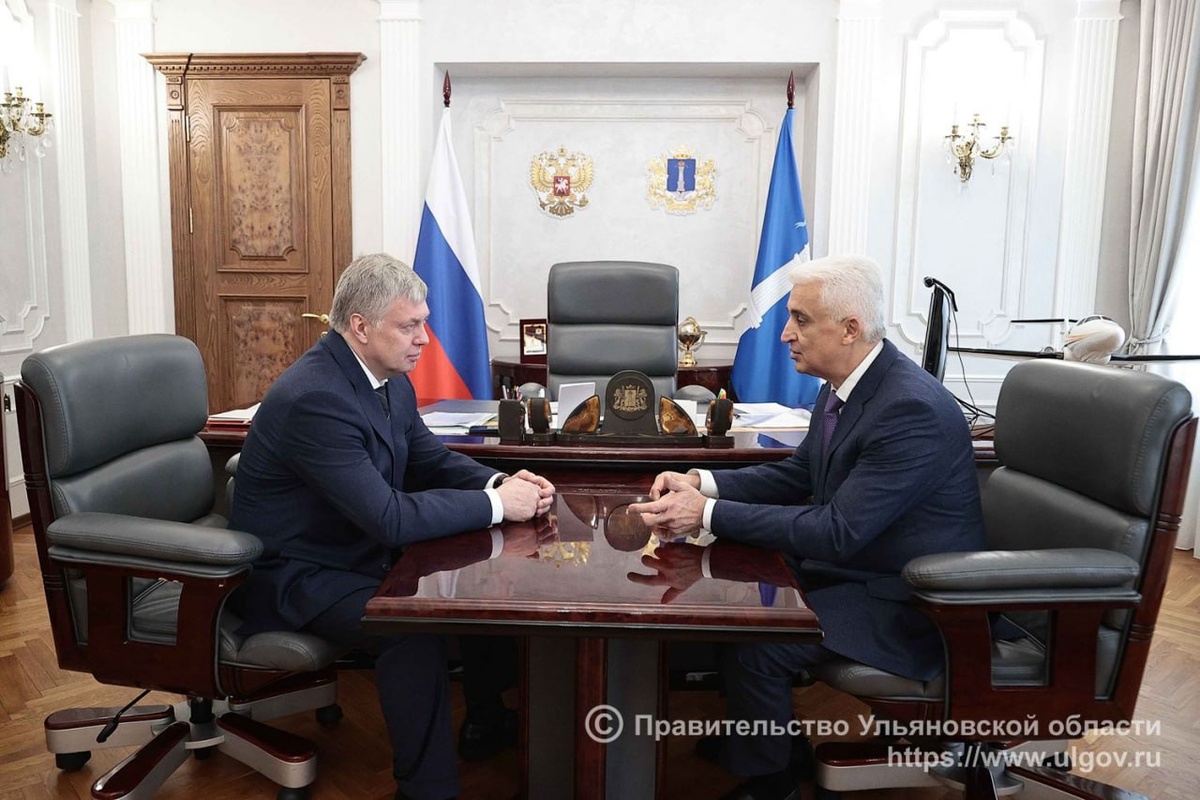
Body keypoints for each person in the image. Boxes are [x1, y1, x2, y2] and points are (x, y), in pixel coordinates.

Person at [629, 254, 984, 800]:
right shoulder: (845, 383)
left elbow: (838, 530)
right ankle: (771, 743)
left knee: (756, 644)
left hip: (907, 601)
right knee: (729, 604)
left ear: (850, 329)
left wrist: (705, 514)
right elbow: (799, 474)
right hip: (856, 571)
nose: (785, 335)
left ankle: (773, 782)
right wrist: (702, 483)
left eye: (800, 319)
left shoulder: (909, 409)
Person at [229, 253, 556, 800]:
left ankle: (488, 717)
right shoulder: (316, 398)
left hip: (353, 549)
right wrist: (501, 506)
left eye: (424, 323)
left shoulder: (386, 378)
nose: (424, 338)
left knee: (480, 576)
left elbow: (430, 460)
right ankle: (427, 790)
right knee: (411, 626)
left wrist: (499, 482)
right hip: (302, 573)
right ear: (361, 327)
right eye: (410, 326)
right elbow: (390, 518)